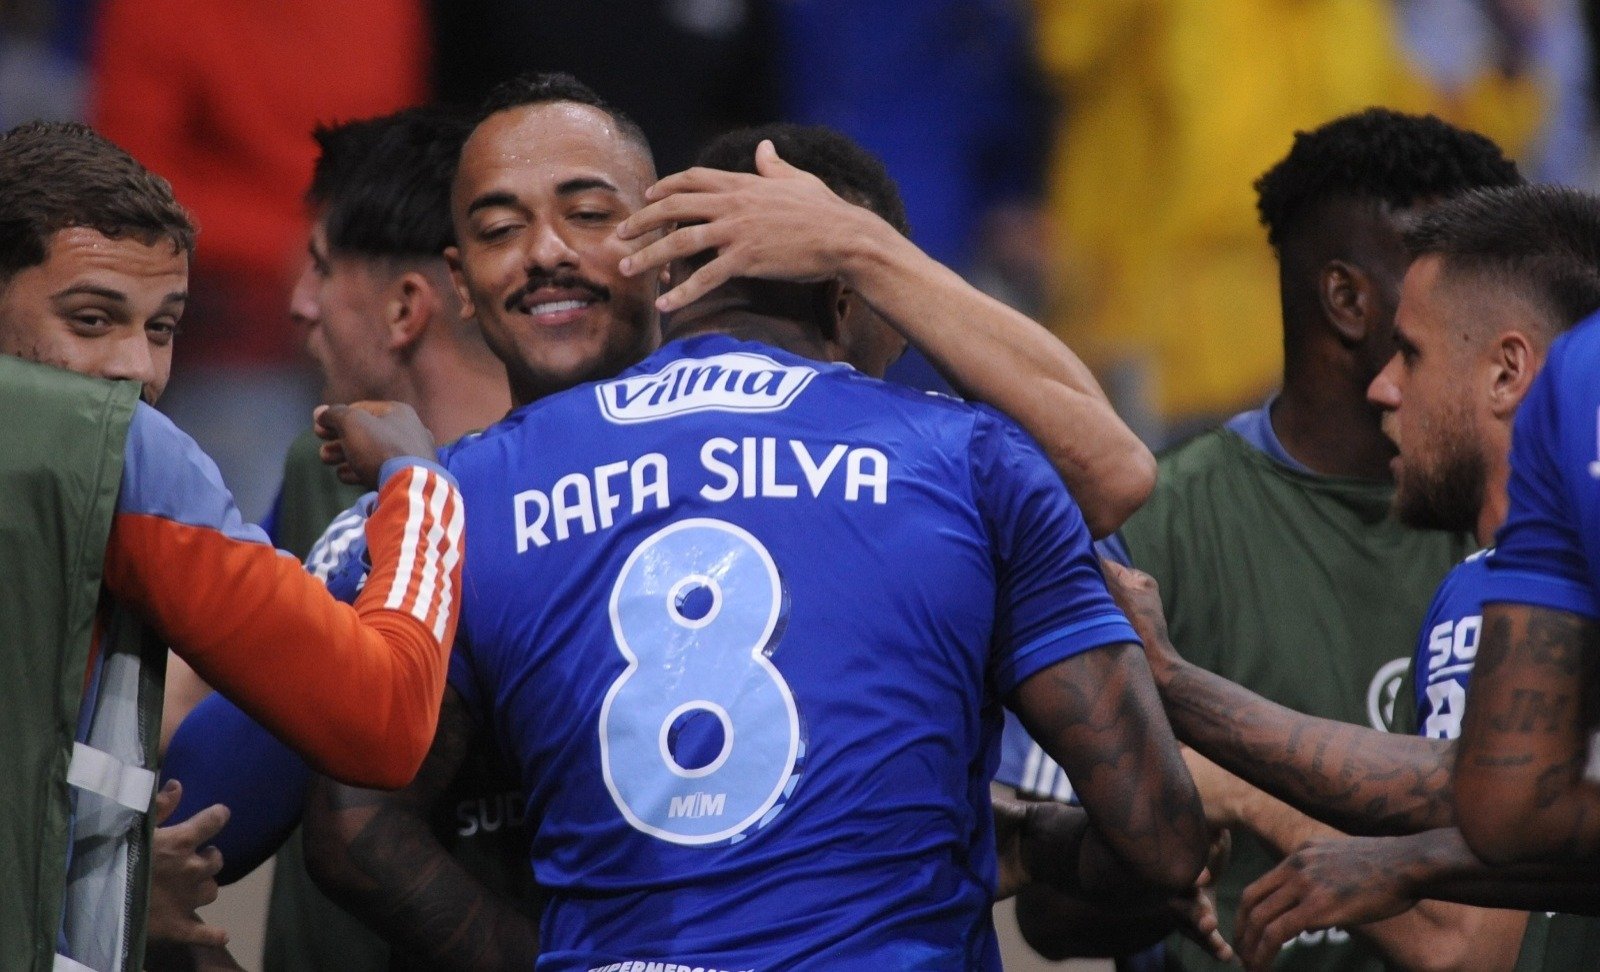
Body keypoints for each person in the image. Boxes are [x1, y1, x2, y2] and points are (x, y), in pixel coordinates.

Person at [159, 73, 1169, 966]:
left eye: (590, 213)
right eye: (502, 228)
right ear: (458, 283)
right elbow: (210, 806)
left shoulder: (457, 492)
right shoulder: (428, 504)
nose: (547, 253)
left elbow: (1112, 489)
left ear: (675, 241)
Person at [1001, 106, 1522, 971]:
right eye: (1450, 275)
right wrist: (1160, 842)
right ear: (1351, 300)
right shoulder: (1151, 530)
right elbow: (1052, 916)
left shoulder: (1528, 532)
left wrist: (1249, 792)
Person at [0, 119, 463, 972]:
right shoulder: (121, 451)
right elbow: (384, 719)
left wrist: (91, 878)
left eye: (163, 327)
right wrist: (420, 486)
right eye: (92, 318)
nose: (135, 369)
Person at [1104, 183, 1600, 969]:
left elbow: (1465, 941)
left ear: (1508, 373)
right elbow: (1499, 792)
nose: (1383, 387)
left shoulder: (1498, 590)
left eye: (1413, 354)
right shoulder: (1529, 572)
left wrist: (1239, 783)